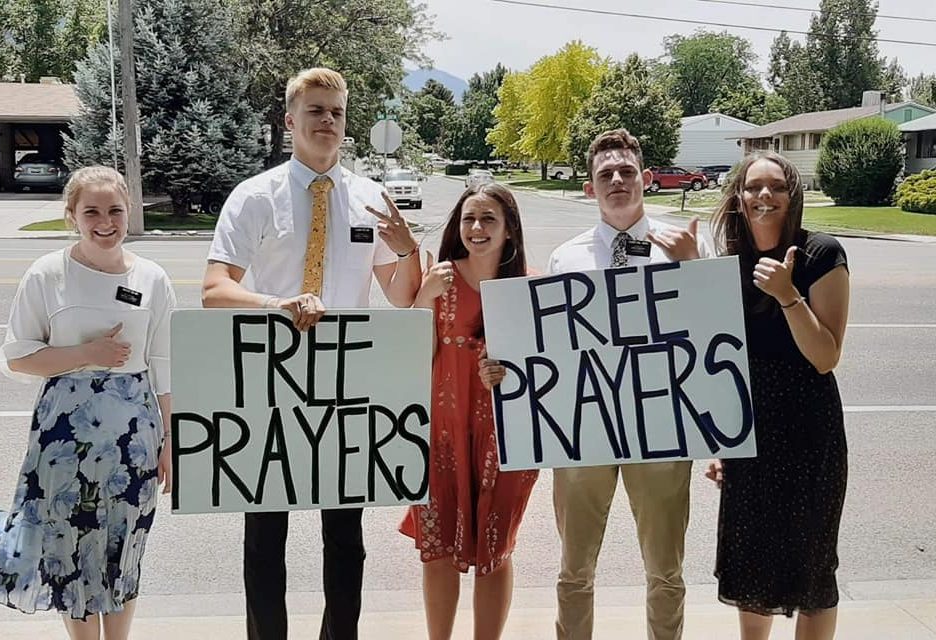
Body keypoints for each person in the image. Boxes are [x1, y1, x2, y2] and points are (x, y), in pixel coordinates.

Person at [201, 67, 422, 640]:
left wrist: (409, 252)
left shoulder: (372, 200)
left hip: (344, 388)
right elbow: (214, 290)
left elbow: (401, 297)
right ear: (290, 120)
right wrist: (277, 303)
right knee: (265, 536)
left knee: (346, 539)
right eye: (317, 110)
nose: (328, 121)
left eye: (338, 112)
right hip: (270, 385)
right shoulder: (253, 198)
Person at [0, 166, 174, 640]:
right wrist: (86, 355)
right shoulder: (48, 273)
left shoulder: (153, 277)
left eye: (115, 209)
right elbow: (17, 357)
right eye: (91, 211)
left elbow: (165, 365)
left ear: (129, 210)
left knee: (123, 543)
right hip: (64, 432)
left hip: (136, 431)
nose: (105, 221)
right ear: (71, 215)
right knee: (67, 542)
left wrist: (170, 440)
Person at [538, 128, 704, 640]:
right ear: (590, 188)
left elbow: (715, 336)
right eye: (605, 174)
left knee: (665, 568)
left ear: (646, 179)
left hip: (661, 428)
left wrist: (694, 269)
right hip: (585, 429)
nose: (616, 181)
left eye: (626, 172)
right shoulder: (565, 258)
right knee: (575, 568)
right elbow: (545, 347)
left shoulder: (683, 245)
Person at [706, 151, 849, 640]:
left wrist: (789, 296)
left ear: (793, 196)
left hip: (810, 431)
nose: (764, 196)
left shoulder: (821, 254)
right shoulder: (730, 264)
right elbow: (718, 363)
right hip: (751, 432)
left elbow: (826, 355)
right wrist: (721, 440)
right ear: (739, 198)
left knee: (811, 565)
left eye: (776, 187)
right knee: (751, 559)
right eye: (753, 187)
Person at [399, 183, 539, 640]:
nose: (476, 229)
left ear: (509, 230)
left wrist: (509, 372)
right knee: (437, 547)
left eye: (488, 219)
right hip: (442, 431)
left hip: (506, 437)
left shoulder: (530, 286)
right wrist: (423, 300)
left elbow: (546, 369)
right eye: (468, 220)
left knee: (495, 548)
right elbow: (411, 356)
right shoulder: (439, 279)